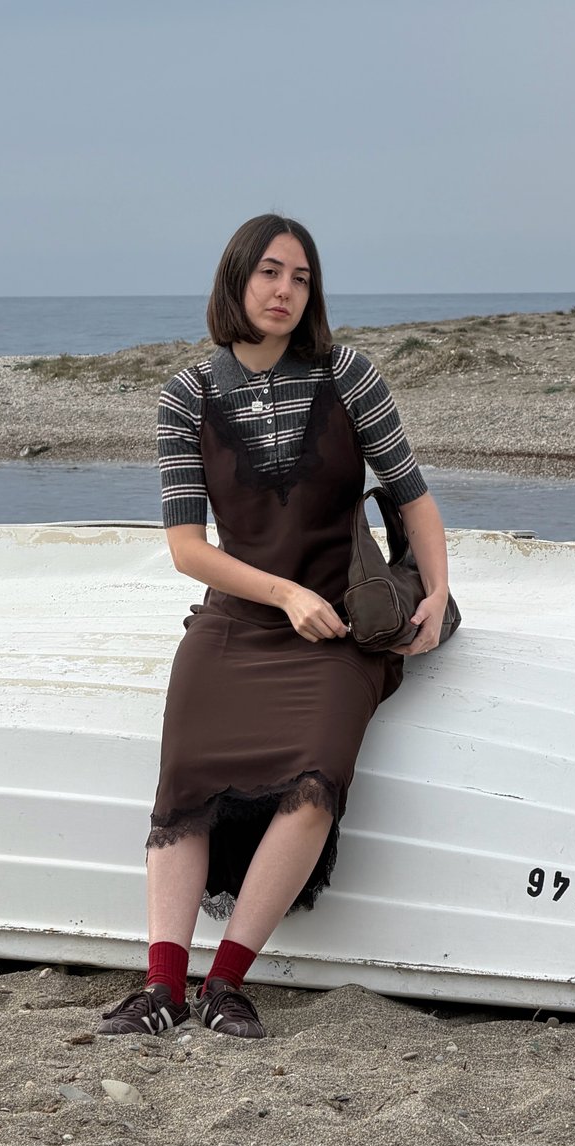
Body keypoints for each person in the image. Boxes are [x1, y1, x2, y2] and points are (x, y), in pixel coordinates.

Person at [98, 214, 449, 1039]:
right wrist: (281, 594)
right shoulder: (186, 394)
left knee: (317, 776)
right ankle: (162, 988)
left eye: (300, 276)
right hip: (241, 619)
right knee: (183, 780)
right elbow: (187, 548)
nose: (285, 290)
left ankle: (225, 983)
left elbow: (414, 497)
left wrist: (435, 594)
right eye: (268, 273)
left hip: (341, 624)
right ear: (236, 281)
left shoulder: (348, 373)